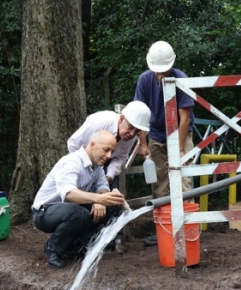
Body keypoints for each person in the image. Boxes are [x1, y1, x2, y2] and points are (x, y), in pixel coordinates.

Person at [32, 130, 127, 269]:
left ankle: (77, 246)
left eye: (112, 152)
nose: (109, 156)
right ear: (92, 144)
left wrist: (102, 199)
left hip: (71, 209)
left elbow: (102, 186)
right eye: (106, 150)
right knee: (79, 213)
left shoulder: (97, 165)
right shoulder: (72, 162)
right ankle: (53, 248)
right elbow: (69, 193)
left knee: (114, 205)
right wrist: (99, 199)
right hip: (44, 213)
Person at [67, 101, 151, 253]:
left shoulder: (131, 137)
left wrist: (107, 178)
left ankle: (116, 238)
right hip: (86, 159)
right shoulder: (98, 124)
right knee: (84, 201)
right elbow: (73, 144)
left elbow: (120, 158)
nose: (132, 134)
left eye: (137, 131)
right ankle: (80, 240)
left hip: (109, 164)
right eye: (130, 127)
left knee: (114, 199)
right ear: (121, 119)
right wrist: (85, 171)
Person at [134, 40, 195, 246]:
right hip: (156, 134)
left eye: (165, 70)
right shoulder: (144, 80)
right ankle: (164, 230)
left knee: (184, 181)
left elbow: (184, 117)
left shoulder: (181, 79)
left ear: (171, 65)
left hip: (180, 133)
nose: (161, 74)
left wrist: (178, 148)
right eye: (157, 70)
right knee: (159, 183)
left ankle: (188, 229)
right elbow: (141, 114)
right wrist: (143, 143)